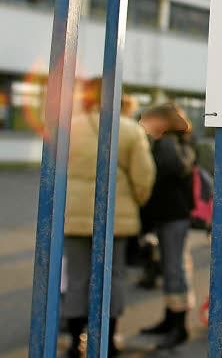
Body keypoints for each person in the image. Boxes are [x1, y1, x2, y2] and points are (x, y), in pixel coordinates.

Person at [63, 78, 156, 358]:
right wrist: (137, 200)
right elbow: (144, 176)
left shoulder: (70, 127)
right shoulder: (130, 130)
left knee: (77, 277)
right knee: (113, 276)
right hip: (115, 215)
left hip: (74, 214)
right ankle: (108, 340)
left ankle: (75, 341)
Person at [139, 104, 197, 349]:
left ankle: (179, 326)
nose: (145, 125)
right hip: (171, 214)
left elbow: (171, 169)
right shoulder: (181, 142)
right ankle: (171, 318)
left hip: (171, 214)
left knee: (174, 268)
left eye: (148, 120)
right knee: (171, 266)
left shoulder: (168, 143)